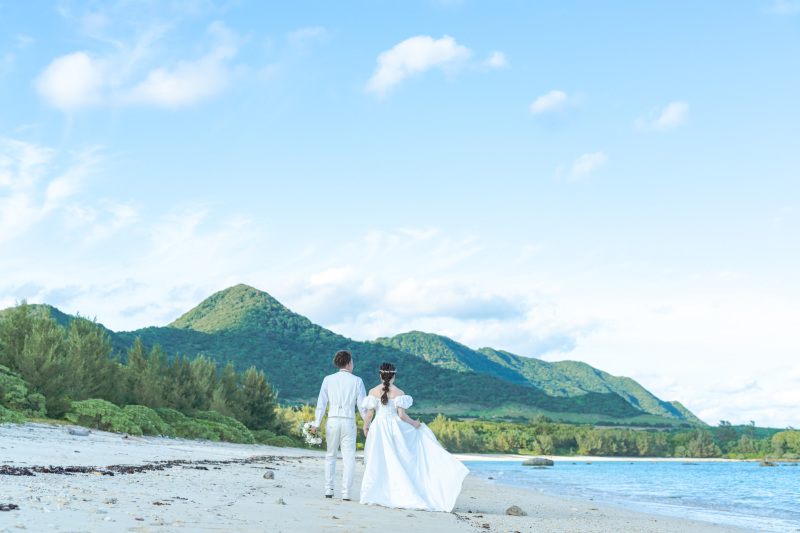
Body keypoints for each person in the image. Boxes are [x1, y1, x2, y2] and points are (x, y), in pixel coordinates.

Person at [359, 362, 469, 512]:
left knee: (377, 460)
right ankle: (397, 492)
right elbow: (402, 415)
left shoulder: (372, 391)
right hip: (394, 429)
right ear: (394, 375)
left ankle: (374, 494)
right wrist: (414, 423)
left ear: (380, 375)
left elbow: (369, 414)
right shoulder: (399, 392)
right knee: (396, 460)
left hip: (378, 429)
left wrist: (366, 427)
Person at [311, 349, 367, 500]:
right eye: (352, 362)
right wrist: (367, 424)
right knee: (349, 459)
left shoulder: (328, 379)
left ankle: (329, 489)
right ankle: (346, 493)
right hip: (349, 422)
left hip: (333, 421)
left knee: (330, 456)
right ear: (349, 363)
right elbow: (362, 406)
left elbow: (321, 404)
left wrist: (316, 423)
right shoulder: (357, 381)